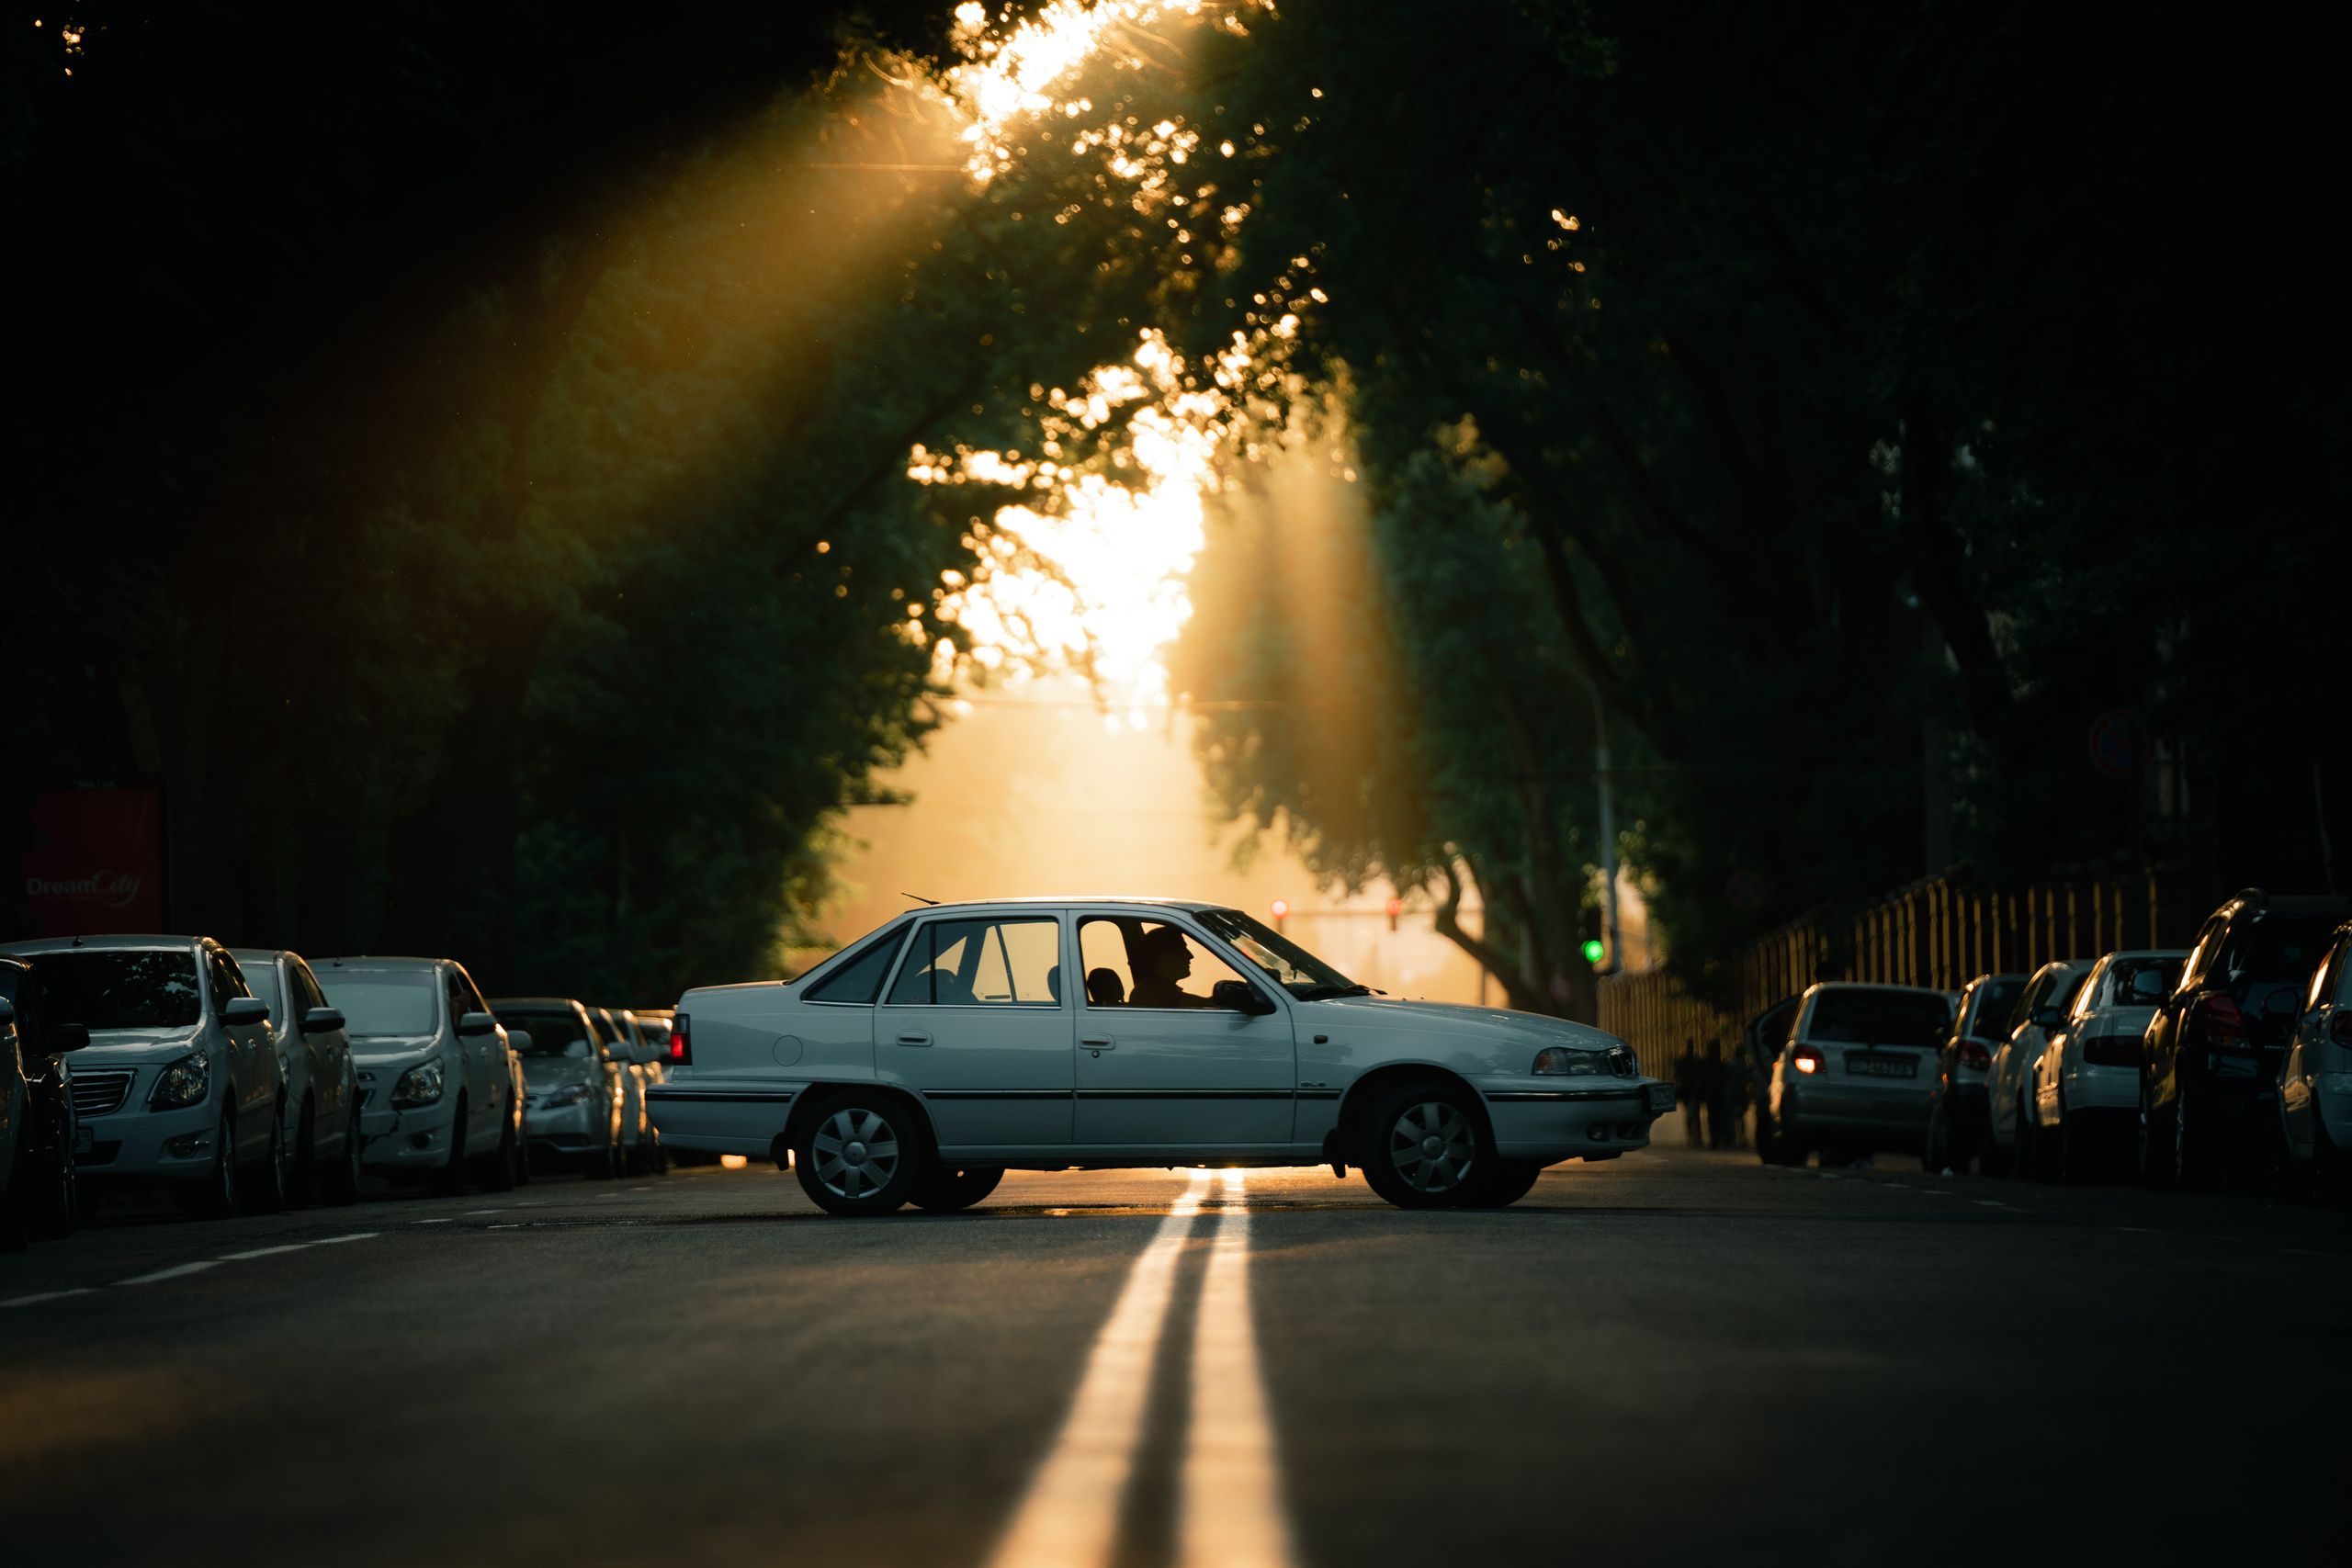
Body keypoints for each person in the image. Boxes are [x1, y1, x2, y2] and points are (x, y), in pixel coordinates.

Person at [1127, 926, 1211, 1009]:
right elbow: (1206, 1004)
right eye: (1182, 950)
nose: (1190, 956)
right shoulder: (1149, 992)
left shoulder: (1155, 988)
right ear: (1164, 956)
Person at [1722, 1039, 1754, 1148]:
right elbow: (1747, 1079)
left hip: (1730, 1092)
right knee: (1740, 1117)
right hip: (1740, 1093)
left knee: (1731, 1116)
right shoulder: (1743, 1065)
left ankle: (1732, 1138)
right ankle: (1742, 1137)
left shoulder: (1729, 1063)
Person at [1673, 1040, 1702, 1146]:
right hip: (1692, 1091)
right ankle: (1695, 1136)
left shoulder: (1685, 1062)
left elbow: (1678, 1075)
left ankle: (1693, 1136)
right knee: (1694, 1115)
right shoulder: (1694, 1061)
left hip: (1689, 1091)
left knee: (1691, 1115)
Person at [1703, 1039, 1731, 1148]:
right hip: (1716, 1094)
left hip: (1714, 1094)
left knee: (1715, 1117)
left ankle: (1716, 1138)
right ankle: (1717, 1138)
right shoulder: (1718, 1064)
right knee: (1717, 1117)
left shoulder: (1710, 1064)